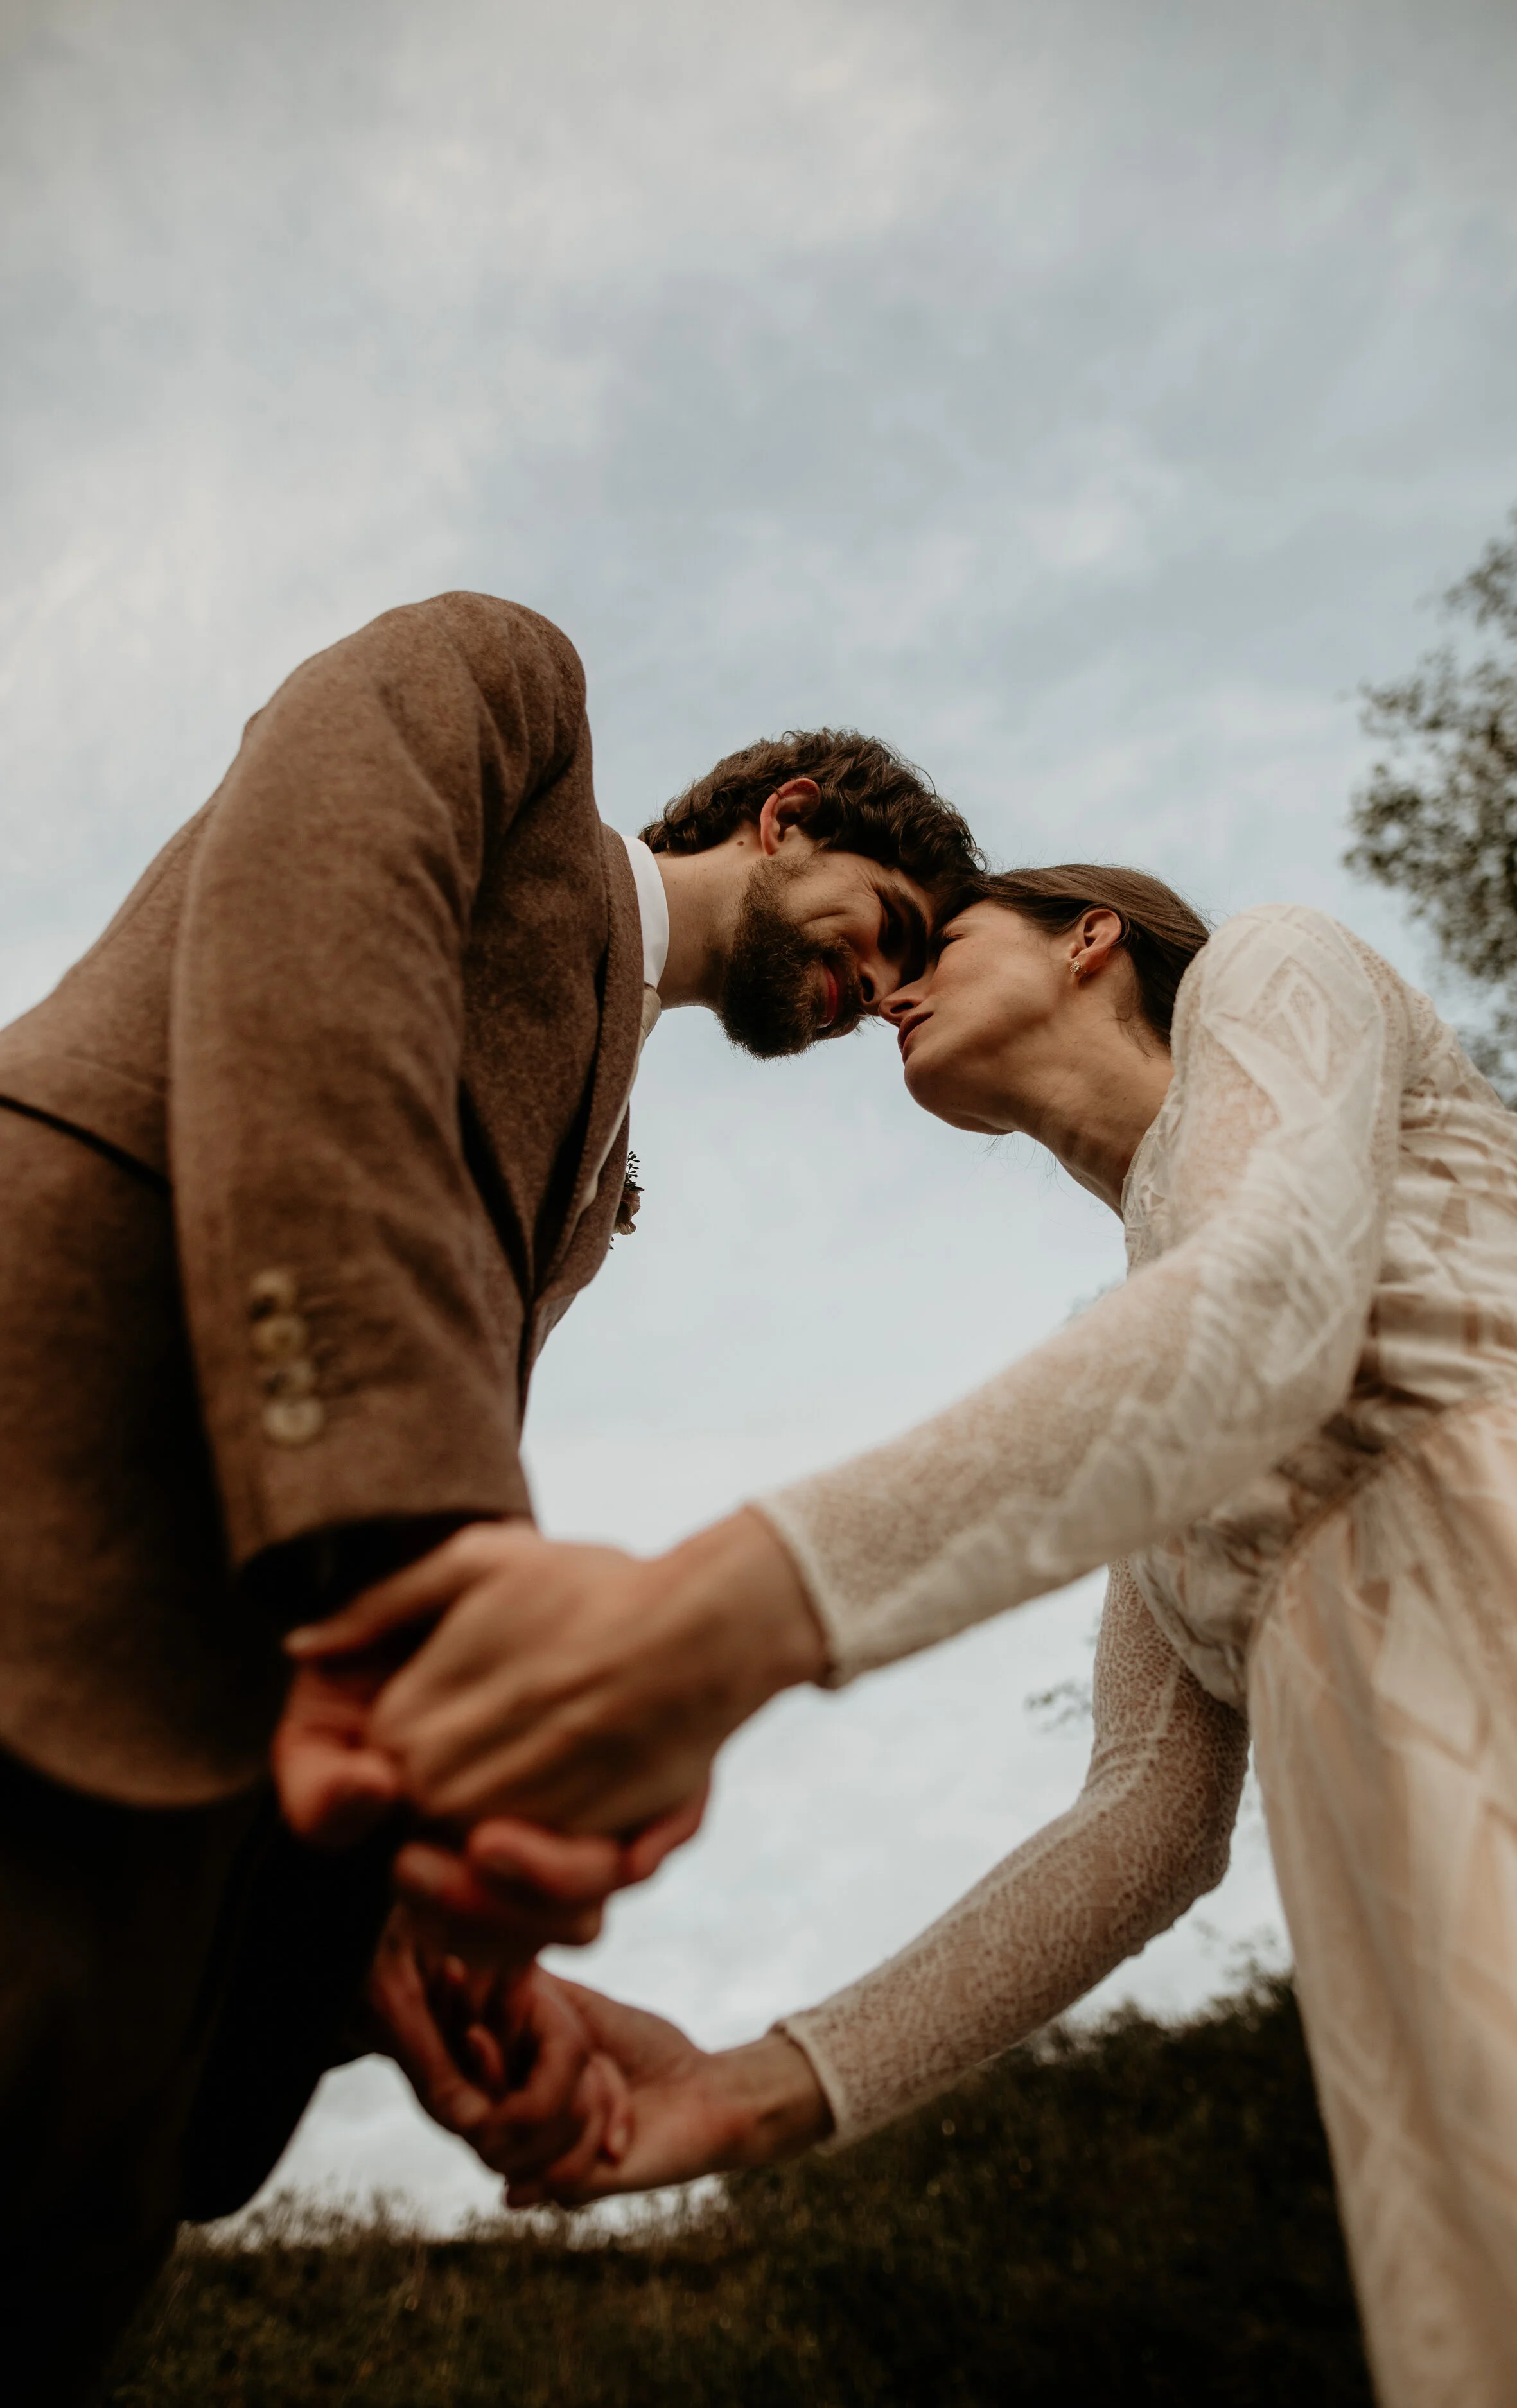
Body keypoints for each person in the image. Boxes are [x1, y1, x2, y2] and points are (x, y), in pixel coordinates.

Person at [315, 866, 1517, 2408]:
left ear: (1090, 934)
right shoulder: (1132, 1390)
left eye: (944, 938)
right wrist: (750, 2092)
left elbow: (1262, 1307)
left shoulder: (1279, 964)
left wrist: (713, 1613)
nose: (893, 993)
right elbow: (1139, 1825)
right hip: (1400, 1933)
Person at [0, 586, 980, 2406]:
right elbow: (312, 928)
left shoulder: (606, 1184)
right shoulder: (513, 686)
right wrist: (444, 1564)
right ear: (791, 814)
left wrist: (379, 1908)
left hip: (220, 1804)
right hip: (47, 1471)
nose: (875, 993)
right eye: (888, 923)